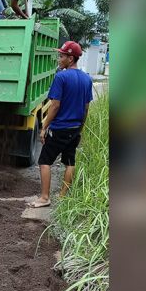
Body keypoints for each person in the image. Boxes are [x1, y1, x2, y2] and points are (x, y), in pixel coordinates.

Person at [30, 41, 93, 208]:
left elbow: (55, 105)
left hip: (60, 128)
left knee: (44, 161)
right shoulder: (87, 79)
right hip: (75, 128)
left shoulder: (61, 77)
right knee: (69, 161)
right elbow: (86, 108)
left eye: (62, 56)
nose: (59, 59)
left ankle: (44, 198)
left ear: (70, 58)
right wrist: (81, 127)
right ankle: (63, 197)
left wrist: (44, 127)